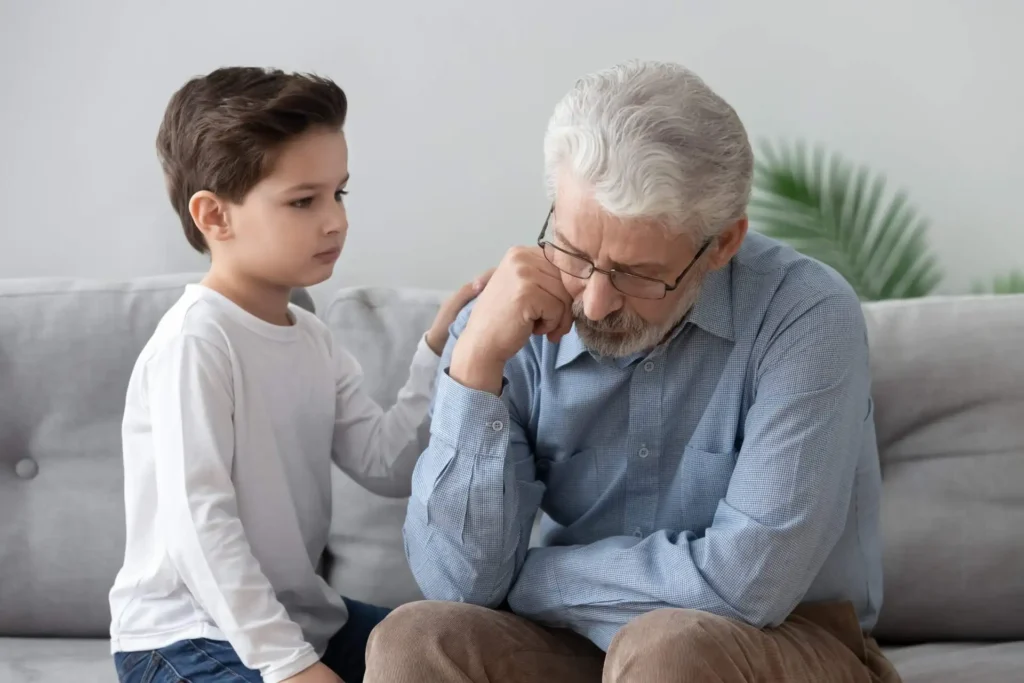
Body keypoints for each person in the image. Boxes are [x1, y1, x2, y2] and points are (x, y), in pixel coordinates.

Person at [366, 61, 901, 682]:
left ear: (722, 245)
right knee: (415, 641)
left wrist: (523, 579)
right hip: (575, 643)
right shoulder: (507, 316)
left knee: (668, 650)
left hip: (780, 644)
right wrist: (476, 364)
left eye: (636, 273)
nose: (594, 303)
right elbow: (457, 586)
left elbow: (747, 585)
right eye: (574, 252)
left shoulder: (805, 313)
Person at [107, 66, 488, 683]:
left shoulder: (312, 338)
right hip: (187, 637)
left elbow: (386, 464)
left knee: (455, 647)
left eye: (340, 194)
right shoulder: (196, 342)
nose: (335, 220)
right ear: (214, 216)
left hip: (304, 619)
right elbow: (199, 526)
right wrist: (289, 665)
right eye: (303, 201)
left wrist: (439, 351)